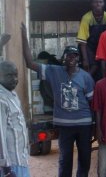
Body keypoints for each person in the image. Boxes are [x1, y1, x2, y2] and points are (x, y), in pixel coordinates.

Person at [21, 23, 95, 177]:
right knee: (65, 160)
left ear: (78, 59)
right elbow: (30, 63)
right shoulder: (54, 72)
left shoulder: (86, 77)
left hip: (84, 125)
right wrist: (24, 37)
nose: (71, 58)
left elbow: (91, 103)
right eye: (68, 55)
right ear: (63, 58)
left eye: (75, 56)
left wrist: (95, 125)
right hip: (65, 126)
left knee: (85, 160)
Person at [0, 61, 31, 177]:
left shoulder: (12, 94)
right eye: (9, 75)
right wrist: (6, 168)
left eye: (15, 75)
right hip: (11, 165)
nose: (14, 79)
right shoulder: (1, 100)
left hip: (20, 161)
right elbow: (0, 136)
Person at [77, 0, 106, 81]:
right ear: (92, 4)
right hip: (89, 46)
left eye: (100, 2)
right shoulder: (86, 18)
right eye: (96, 2)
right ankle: (85, 82)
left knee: (103, 67)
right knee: (93, 66)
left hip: (102, 46)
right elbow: (82, 41)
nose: (98, 4)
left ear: (104, 4)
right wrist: (85, 60)